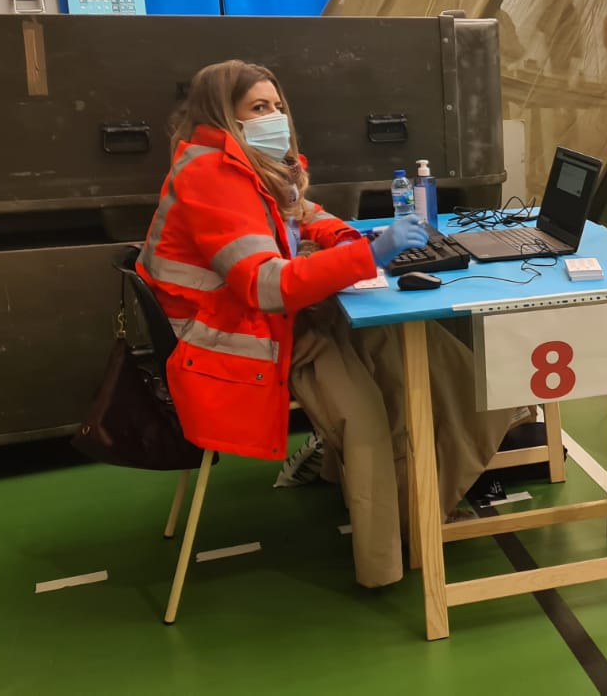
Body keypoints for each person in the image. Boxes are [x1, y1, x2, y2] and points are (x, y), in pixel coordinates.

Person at [137, 59, 522, 586]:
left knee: (425, 353)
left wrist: (349, 240)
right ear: (223, 115)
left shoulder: (246, 164)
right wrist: (371, 257)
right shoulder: (211, 176)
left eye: (278, 106)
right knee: (366, 414)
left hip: (268, 323)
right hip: (237, 341)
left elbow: (302, 212)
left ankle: (424, 499)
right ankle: (388, 557)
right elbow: (266, 286)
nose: (275, 116)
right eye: (258, 108)